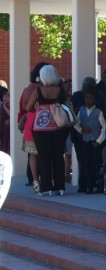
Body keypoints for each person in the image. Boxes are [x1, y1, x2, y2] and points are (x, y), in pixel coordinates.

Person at [25, 65, 71, 196]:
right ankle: (60, 186)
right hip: (58, 126)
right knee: (58, 156)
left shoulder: (38, 91)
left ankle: (46, 187)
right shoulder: (60, 90)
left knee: (44, 157)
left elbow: (28, 108)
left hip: (41, 127)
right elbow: (63, 104)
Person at [20, 63, 48, 193]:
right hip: (43, 122)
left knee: (33, 154)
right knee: (44, 154)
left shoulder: (28, 88)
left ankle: (35, 183)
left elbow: (25, 106)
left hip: (31, 121)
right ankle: (45, 182)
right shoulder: (44, 88)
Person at [77, 90, 106, 194]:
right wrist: (81, 130)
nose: (88, 100)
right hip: (85, 140)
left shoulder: (99, 112)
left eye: (90, 98)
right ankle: (88, 185)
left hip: (95, 141)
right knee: (86, 163)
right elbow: (76, 124)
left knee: (96, 163)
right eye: (86, 98)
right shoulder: (81, 111)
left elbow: (104, 127)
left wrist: (99, 140)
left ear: (94, 100)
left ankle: (97, 185)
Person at [0, 87, 10, 154]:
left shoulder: (9, 106)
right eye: (3, 97)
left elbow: (11, 115)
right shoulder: (2, 106)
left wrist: (4, 107)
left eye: (6, 97)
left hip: (7, 129)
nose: (4, 99)